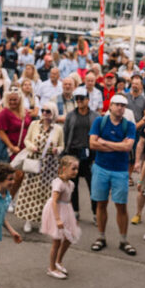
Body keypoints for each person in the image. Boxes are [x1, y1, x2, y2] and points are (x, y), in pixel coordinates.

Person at [88, 95, 137, 256]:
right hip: (101, 168)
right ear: (110, 106)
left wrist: (104, 143)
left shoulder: (129, 125)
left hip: (120, 171)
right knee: (101, 204)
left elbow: (127, 147)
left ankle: (123, 240)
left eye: (123, 105)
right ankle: (101, 237)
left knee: (121, 206)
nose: (120, 108)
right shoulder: (100, 121)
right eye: (117, 104)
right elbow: (92, 143)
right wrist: (118, 145)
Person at [12, 101, 63, 234]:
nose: (44, 114)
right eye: (43, 111)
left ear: (53, 114)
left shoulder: (58, 129)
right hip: (34, 162)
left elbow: (62, 145)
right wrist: (31, 147)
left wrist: (58, 149)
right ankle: (28, 220)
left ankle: (42, 221)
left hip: (50, 165)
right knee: (30, 191)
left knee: (45, 194)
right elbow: (26, 140)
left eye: (48, 112)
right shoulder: (35, 124)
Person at [42, 155, 81, 279]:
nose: (76, 171)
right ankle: (51, 268)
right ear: (64, 168)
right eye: (73, 169)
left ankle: (58, 261)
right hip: (56, 211)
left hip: (66, 211)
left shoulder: (71, 184)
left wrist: (72, 219)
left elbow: (68, 201)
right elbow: (54, 201)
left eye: (76, 169)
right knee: (57, 241)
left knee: (69, 237)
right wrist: (57, 219)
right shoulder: (58, 183)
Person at [62, 86, 95, 220]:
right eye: (77, 99)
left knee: (93, 186)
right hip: (73, 153)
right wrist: (65, 152)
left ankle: (95, 213)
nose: (79, 101)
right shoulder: (70, 116)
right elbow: (65, 134)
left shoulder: (95, 116)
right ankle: (75, 210)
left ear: (88, 99)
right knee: (73, 185)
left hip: (89, 155)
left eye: (82, 98)